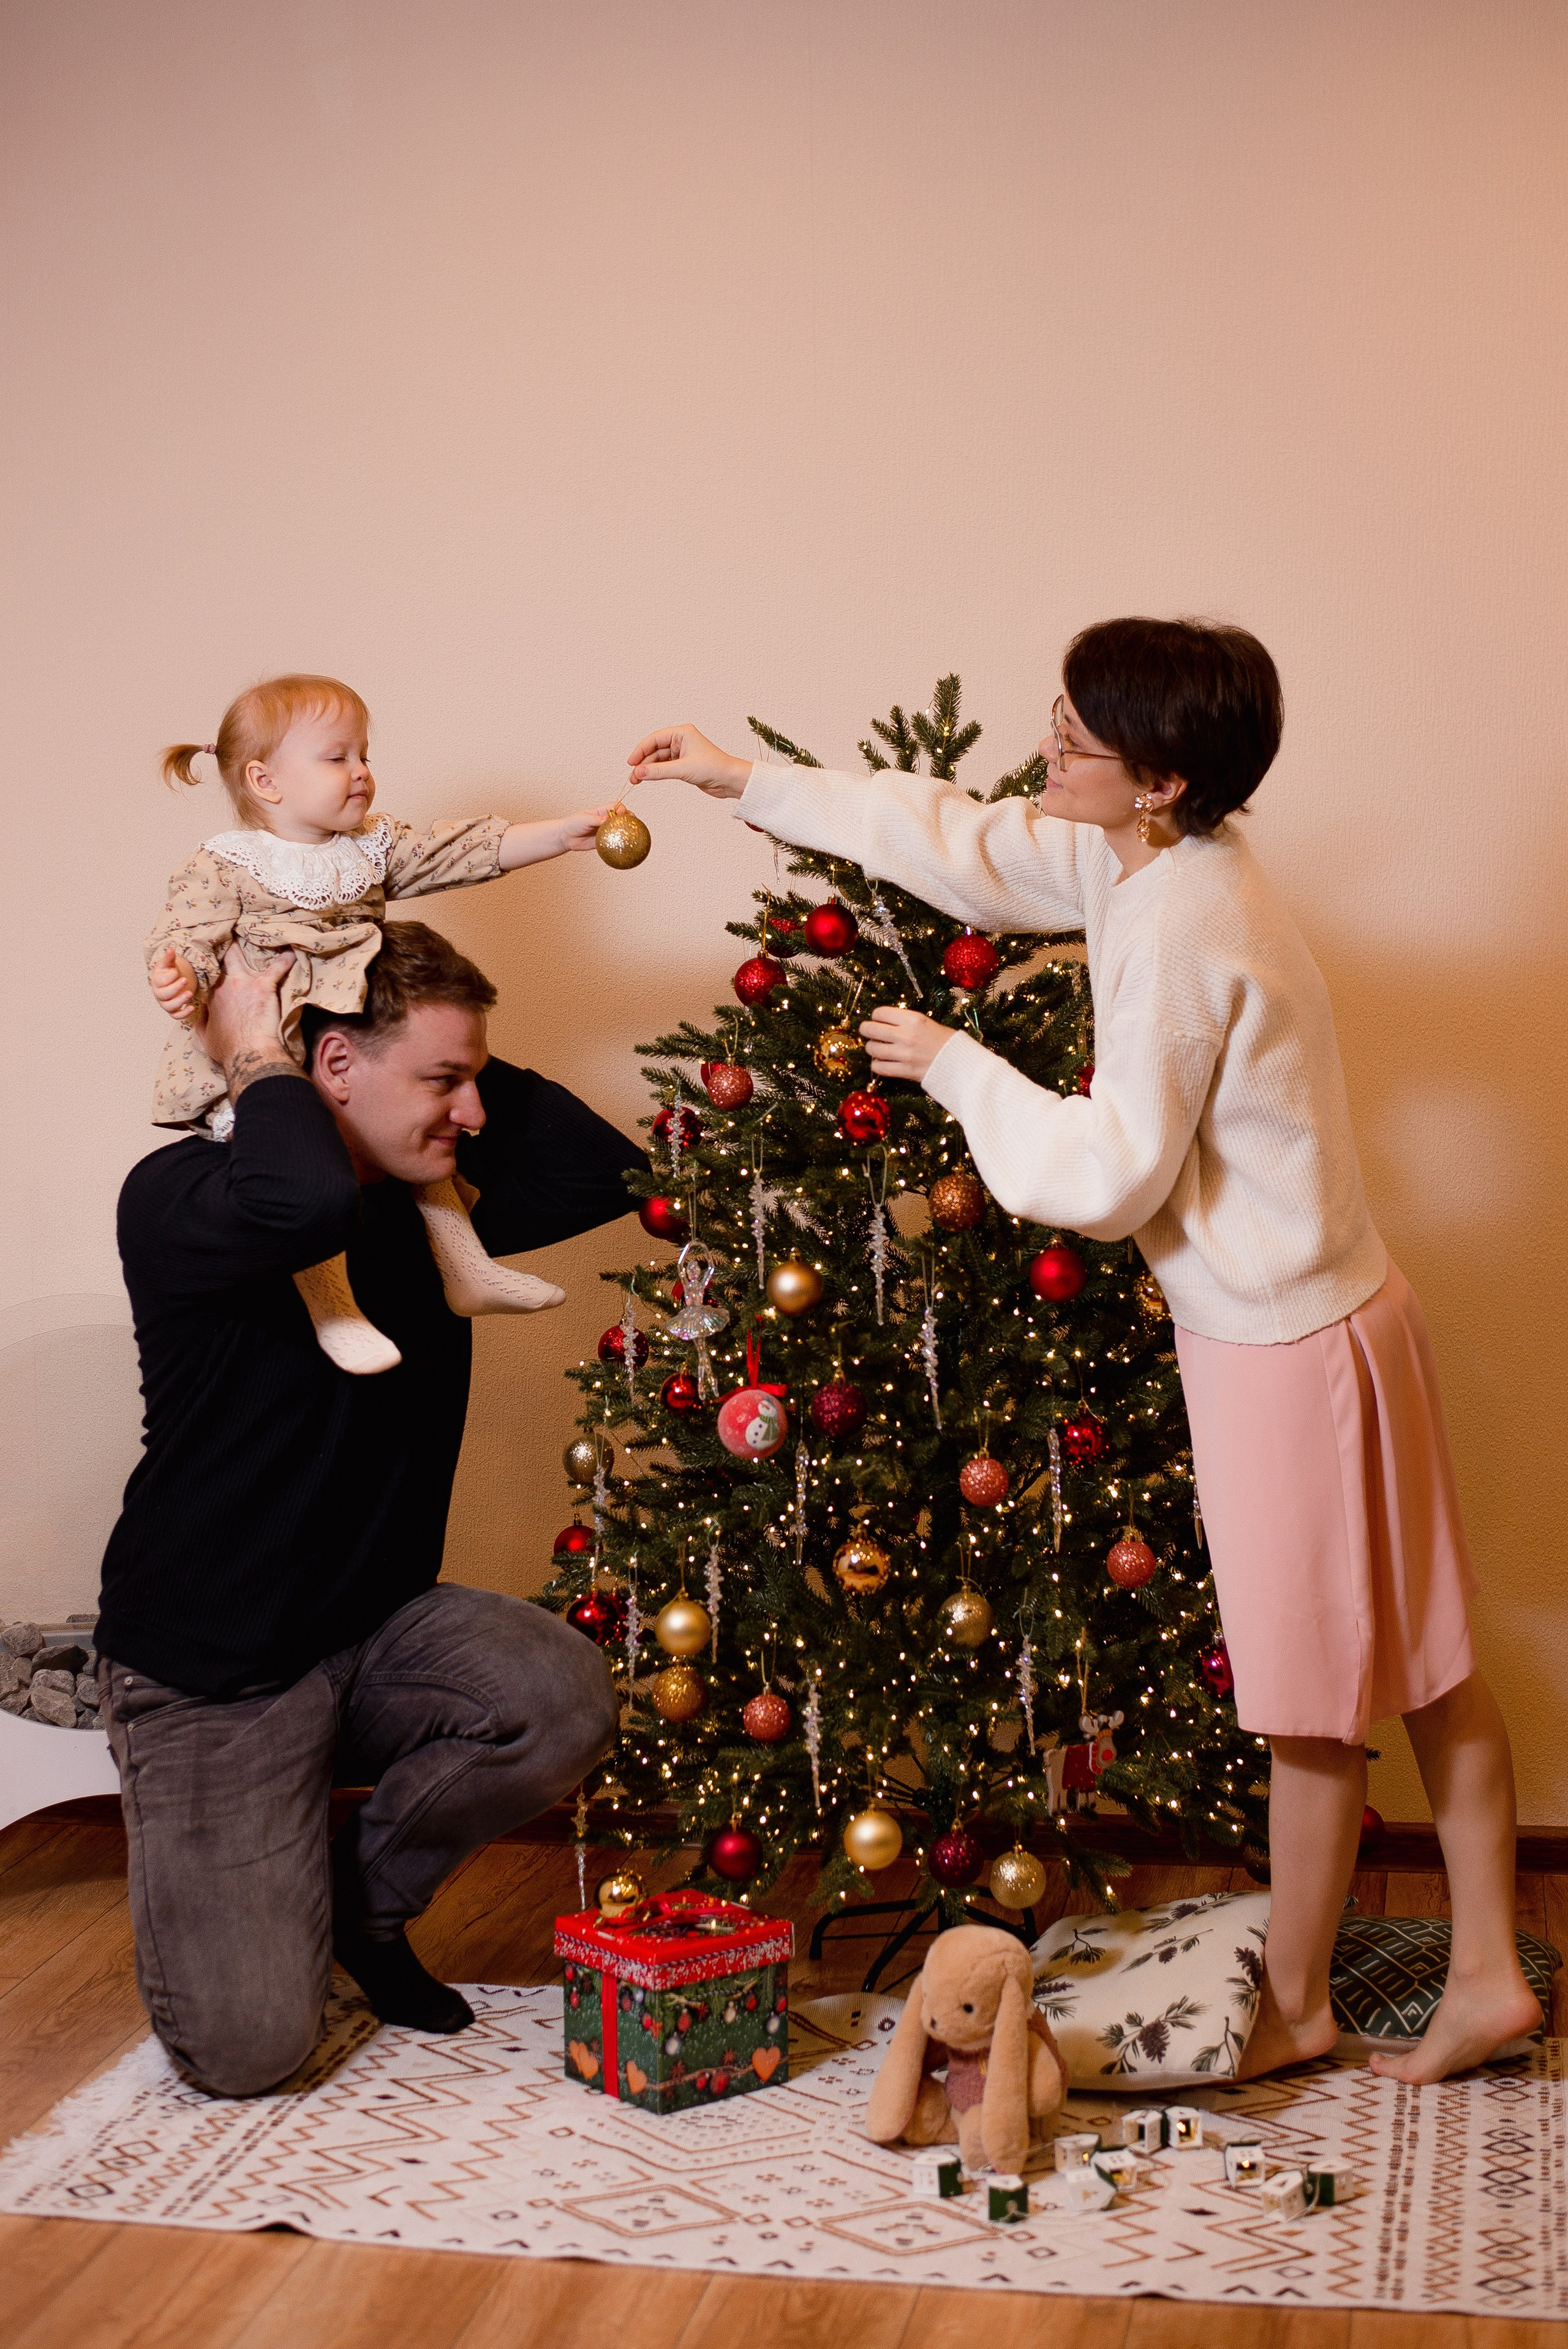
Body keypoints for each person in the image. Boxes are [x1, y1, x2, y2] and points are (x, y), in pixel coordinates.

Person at [626, 617, 1539, 2085]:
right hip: (1347, 1310)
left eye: (1072, 738)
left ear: (1159, 778)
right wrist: (748, 780)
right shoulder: (1160, 859)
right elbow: (970, 843)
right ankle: (1484, 1973)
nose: (1044, 751)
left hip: (1282, 1346)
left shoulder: (1180, 923)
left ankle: (1298, 2005)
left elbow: (1109, 1175)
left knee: (1308, 1707)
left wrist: (955, 1064)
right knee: (1430, 1665)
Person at [97, 918, 639, 2095]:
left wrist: (401, 997)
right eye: (444, 1081)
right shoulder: (183, 1200)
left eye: (473, 1081)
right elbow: (301, 1206)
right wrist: (261, 1051)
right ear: (332, 1066)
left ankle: (358, 1904)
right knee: (249, 2052)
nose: (473, 1113)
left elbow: (607, 1169)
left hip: (375, 1635)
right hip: (217, 1676)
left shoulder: (433, 1213)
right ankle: (252, 1853)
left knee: (557, 1694)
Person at [148, 672, 619, 1373]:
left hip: (357, 1030)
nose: (362, 771)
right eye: (337, 757)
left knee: (419, 1133)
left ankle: (466, 1267)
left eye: (364, 754)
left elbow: (454, 852)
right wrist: (179, 975)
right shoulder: (226, 865)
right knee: (311, 1165)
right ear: (265, 781)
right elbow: (187, 934)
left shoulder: (368, 847)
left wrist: (558, 835)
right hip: (282, 1039)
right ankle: (333, 1307)